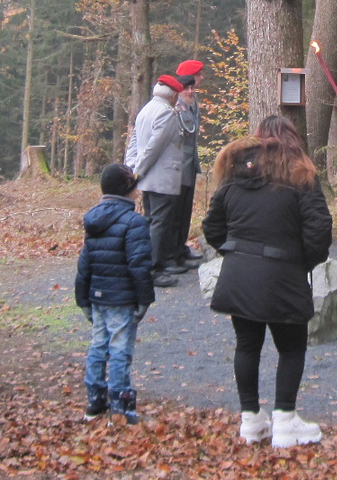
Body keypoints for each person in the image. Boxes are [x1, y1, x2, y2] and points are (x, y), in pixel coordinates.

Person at [203, 116, 333, 448]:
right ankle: (285, 423)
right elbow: (319, 232)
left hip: (239, 276)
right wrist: (300, 262)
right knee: (291, 348)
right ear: (293, 140)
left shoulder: (234, 176)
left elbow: (213, 227)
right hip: (283, 276)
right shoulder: (302, 176)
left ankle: (251, 421)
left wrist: (235, 253)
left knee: (247, 346)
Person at [76, 164, 156, 424]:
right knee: (120, 349)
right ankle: (121, 406)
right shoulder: (134, 222)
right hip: (122, 299)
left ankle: (94, 399)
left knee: (98, 345)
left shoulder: (93, 218)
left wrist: (83, 298)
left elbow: (85, 262)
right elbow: (139, 264)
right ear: (129, 191)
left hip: (98, 297)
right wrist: (144, 299)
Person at [124, 75, 186, 288]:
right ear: (175, 95)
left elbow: (134, 142)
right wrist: (138, 170)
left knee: (151, 220)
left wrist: (131, 166)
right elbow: (154, 147)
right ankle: (153, 269)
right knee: (159, 223)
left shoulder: (146, 110)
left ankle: (144, 265)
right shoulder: (166, 114)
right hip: (162, 177)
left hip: (149, 176)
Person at [168, 59, 207, 270]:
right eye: (199, 74)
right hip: (177, 167)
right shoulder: (176, 103)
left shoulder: (193, 100)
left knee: (184, 211)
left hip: (189, 166)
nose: (202, 78)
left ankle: (180, 248)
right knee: (174, 213)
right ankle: (171, 253)